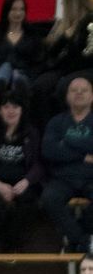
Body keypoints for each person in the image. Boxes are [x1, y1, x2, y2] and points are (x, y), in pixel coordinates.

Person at [0, 95, 43, 253]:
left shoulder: (31, 132)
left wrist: (27, 181)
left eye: (15, 107)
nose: (11, 111)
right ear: (0, 110)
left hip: (23, 181)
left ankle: (8, 242)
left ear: (22, 110)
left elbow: (39, 163)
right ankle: (10, 244)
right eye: (6, 107)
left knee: (29, 202)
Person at [40, 76, 93, 254]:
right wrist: (83, 155)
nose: (79, 93)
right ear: (67, 96)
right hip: (63, 179)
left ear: (92, 96)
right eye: (74, 90)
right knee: (48, 198)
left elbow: (61, 149)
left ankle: (79, 236)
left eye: (84, 90)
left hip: (91, 178)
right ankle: (83, 241)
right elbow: (49, 151)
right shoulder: (56, 122)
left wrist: (66, 142)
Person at [0, 0, 41, 105]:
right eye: (14, 9)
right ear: (7, 11)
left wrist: (21, 73)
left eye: (21, 9)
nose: (18, 13)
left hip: (25, 75)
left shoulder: (32, 36)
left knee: (18, 76)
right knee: (5, 67)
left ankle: (19, 83)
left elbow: (38, 63)